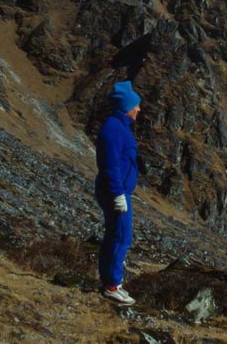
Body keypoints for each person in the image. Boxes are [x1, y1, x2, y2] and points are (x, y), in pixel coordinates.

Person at [95, 81, 141, 306]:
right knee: (121, 236)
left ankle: (111, 283)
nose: (139, 109)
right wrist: (117, 193)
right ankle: (112, 286)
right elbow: (110, 165)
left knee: (114, 235)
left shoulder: (119, 126)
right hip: (116, 192)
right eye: (136, 105)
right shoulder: (113, 129)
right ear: (126, 106)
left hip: (119, 190)